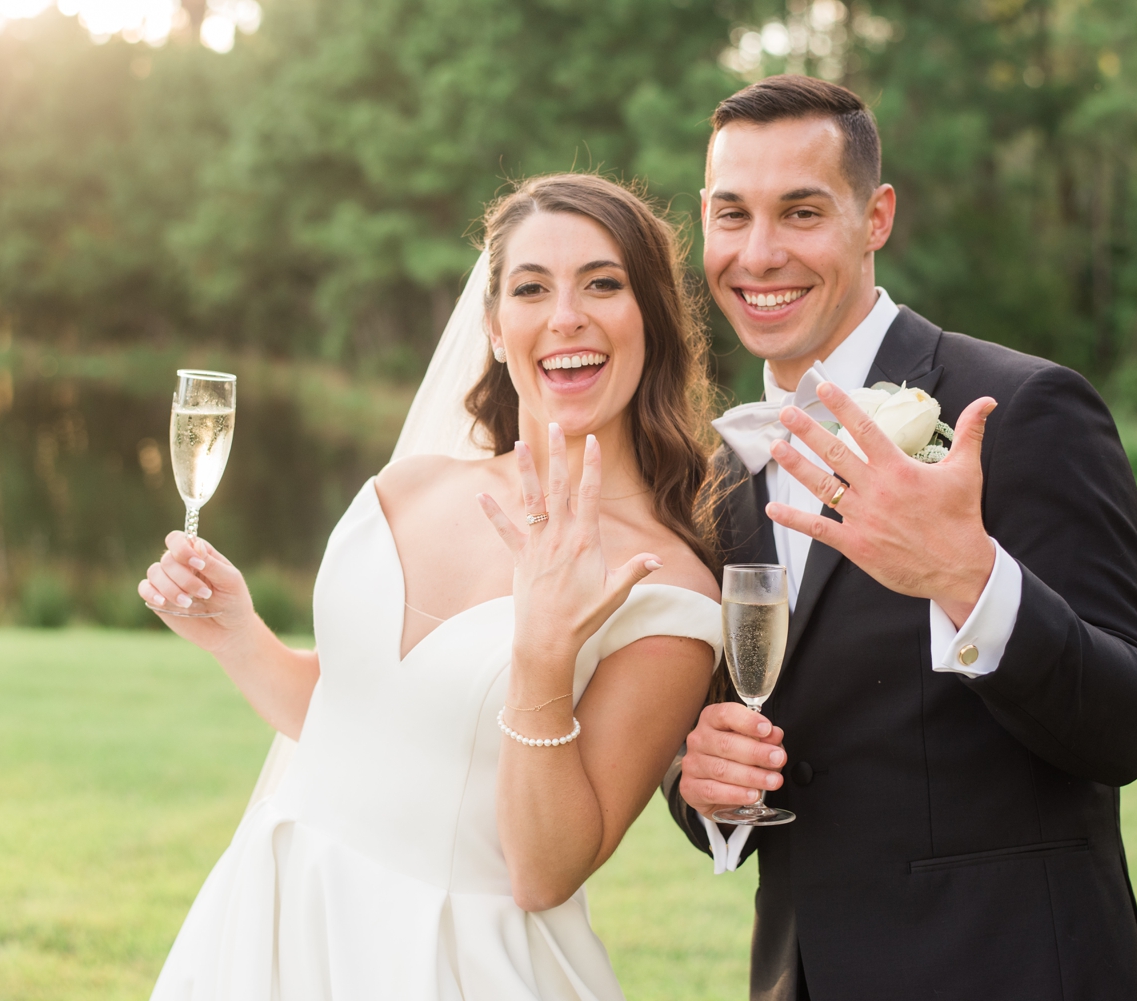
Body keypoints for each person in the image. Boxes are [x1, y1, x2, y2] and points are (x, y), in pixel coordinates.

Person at [140, 173, 724, 1000]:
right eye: (531, 288)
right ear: (493, 325)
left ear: (652, 320)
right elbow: (356, 725)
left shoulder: (667, 591)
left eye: (603, 283)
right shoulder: (409, 486)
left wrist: (543, 652)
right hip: (276, 919)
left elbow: (543, 871)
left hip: (448, 967)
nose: (566, 317)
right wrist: (238, 633)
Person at [664, 76, 1137, 1000]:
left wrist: (968, 577)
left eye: (802, 212)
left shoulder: (1022, 409)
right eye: (732, 215)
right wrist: (703, 784)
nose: (760, 253)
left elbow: (1130, 724)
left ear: (876, 217)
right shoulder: (719, 470)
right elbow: (748, 744)